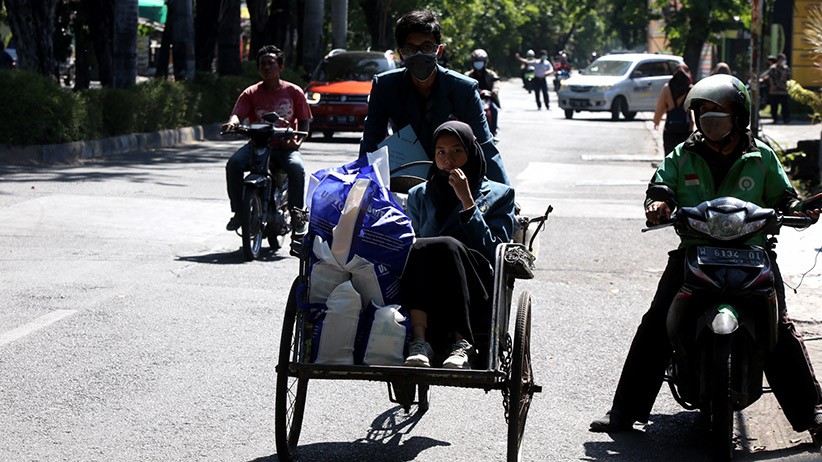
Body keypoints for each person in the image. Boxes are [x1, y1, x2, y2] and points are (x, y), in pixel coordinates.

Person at [589, 74, 822, 443]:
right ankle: (624, 412)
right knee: (656, 323)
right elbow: (660, 189)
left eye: (721, 110)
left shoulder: (761, 157)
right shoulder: (682, 155)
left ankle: (814, 414)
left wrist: (801, 209)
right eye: (705, 111)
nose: (712, 117)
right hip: (693, 251)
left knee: (779, 327)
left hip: (753, 253)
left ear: (740, 115)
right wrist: (658, 206)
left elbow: (785, 199)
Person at [401, 120, 515, 369]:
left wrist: (467, 202)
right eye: (441, 152)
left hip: (476, 283)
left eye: (456, 151)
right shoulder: (419, 194)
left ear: (471, 152)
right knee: (419, 247)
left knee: (448, 245)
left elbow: (494, 248)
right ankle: (420, 342)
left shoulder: (500, 195)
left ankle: (462, 343)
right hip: (428, 281)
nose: (448, 159)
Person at [359, 9, 510, 186]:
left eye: (427, 47)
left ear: (439, 51)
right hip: (406, 176)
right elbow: (371, 142)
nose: (420, 55)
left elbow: (485, 146)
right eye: (411, 49)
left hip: (456, 178)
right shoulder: (385, 86)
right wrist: (359, 187)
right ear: (401, 54)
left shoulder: (464, 88)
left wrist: (505, 198)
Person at [221, 45, 312, 245]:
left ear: (280, 66)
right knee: (234, 164)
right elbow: (238, 114)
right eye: (263, 64)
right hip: (258, 145)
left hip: (285, 147)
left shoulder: (294, 91)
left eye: (271, 63)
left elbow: (305, 120)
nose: (267, 67)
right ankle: (239, 211)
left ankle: (298, 217)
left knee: (297, 168)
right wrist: (232, 123)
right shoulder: (251, 93)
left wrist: (298, 141)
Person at [652, 64, 693, 155]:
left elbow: (660, 107)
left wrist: (656, 121)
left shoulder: (668, 88)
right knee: (684, 156)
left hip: (670, 129)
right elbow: (693, 111)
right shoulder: (690, 89)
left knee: (669, 155)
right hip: (686, 130)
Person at [464, 48, 501, 137]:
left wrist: (494, 91)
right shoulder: (467, 75)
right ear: (472, 63)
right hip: (472, 99)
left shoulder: (491, 74)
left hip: (488, 98)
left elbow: (496, 82)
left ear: (485, 62)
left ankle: (493, 132)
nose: (478, 64)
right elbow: (462, 84)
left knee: (494, 109)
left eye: (480, 61)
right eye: (476, 61)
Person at [760, 53, 792, 123]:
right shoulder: (773, 68)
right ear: (779, 59)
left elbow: (789, 78)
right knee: (774, 107)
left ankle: (786, 119)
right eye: (782, 59)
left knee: (785, 107)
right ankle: (775, 119)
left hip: (784, 91)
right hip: (774, 91)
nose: (784, 60)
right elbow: (770, 78)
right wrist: (773, 86)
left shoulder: (786, 68)